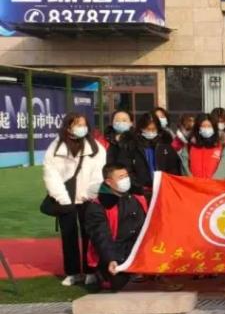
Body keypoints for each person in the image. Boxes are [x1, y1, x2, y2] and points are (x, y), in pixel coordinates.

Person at [43, 113, 106, 288]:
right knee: (68, 236)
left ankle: (90, 271)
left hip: (88, 198)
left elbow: (100, 172)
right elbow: (50, 174)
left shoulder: (96, 147)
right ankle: (72, 272)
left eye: (84, 124)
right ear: (68, 127)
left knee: (89, 234)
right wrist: (62, 197)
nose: (81, 128)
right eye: (77, 124)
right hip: (65, 199)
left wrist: (92, 193)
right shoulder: (56, 147)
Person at [83, 163, 148, 292]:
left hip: (140, 249)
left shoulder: (138, 197)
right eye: (121, 177)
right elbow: (101, 237)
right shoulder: (97, 206)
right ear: (108, 182)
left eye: (126, 176)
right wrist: (110, 259)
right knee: (119, 285)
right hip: (117, 252)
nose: (126, 180)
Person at [130, 113, 181, 194]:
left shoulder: (164, 145)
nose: (150, 132)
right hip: (141, 191)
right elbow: (128, 169)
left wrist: (169, 183)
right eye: (147, 129)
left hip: (163, 189)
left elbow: (173, 167)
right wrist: (138, 187)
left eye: (153, 129)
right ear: (141, 129)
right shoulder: (133, 146)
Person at [180, 114, 225, 180]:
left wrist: (213, 182)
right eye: (203, 126)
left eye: (209, 126)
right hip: (193, 184)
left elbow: (223, 167)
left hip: (216, 184)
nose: (206, 128)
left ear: (214, 128)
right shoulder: (189, 146)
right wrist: (192, 181)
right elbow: (184, 166)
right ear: (198, 128)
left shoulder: (222, 146)